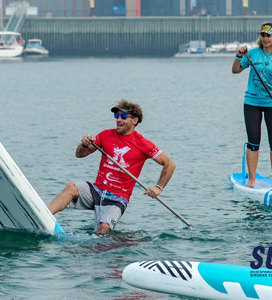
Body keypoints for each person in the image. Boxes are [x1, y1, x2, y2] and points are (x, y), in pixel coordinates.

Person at [48, 100, 176, 235]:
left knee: (103, 229)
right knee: (71, 187)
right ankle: (45, 215)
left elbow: (169, 164)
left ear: (135, 120)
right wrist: (84, 144)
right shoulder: (105, 135)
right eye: (116, 116)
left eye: (123, 116)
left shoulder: (143, 144)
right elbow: (80, 154)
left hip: (118, 197)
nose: (118, 120)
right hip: (97, 190)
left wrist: (158, 187)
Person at [232, 22, 272, 187]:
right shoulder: (252, 54)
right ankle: (251, 179)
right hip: (252, 103)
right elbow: (235, 70)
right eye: (263, 36)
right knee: (253, 141)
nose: (265, 39)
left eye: (269, 36)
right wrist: (238, 56)